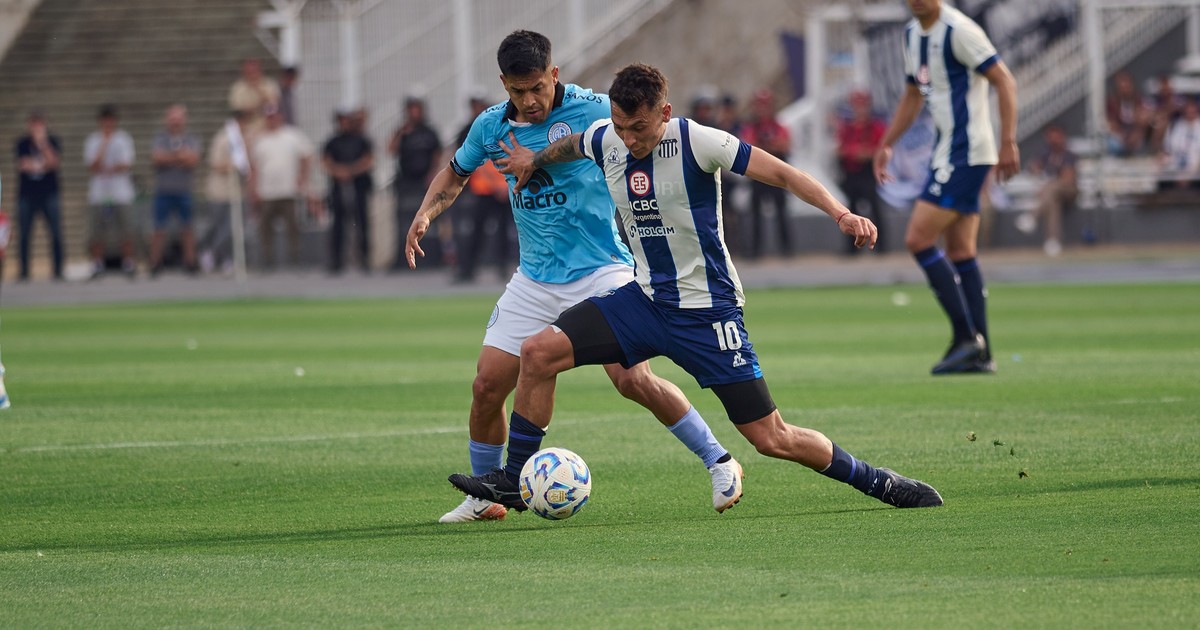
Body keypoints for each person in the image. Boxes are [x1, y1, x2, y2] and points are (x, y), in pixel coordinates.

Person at [450, 63, 942, 513]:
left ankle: (878, 481)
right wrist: (534, 161)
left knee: (771, 438)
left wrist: (841, 213)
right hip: (644, 302)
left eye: (639, 128)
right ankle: (514, 479)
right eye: (620, 126)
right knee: (538, 353)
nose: (628, 139)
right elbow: (574, 144)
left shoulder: (698, 142)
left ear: (664, 113)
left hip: (709, 314)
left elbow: (783, 173)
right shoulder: (607, 137)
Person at [405, 31, 739, 523]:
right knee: (487, 386)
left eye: (537, 87)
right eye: (518, 91)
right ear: (504, 84)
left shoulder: (595, 110)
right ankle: (485, 498)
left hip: (603, 270)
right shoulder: (490, 126)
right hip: (534, 279)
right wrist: (425, 214)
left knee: (632, 379)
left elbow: (654, 136)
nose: (529, 100)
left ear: (554, 74)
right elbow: (455, 173)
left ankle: (719, 460)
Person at [872, 0, 1020, 375]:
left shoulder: (960, 31)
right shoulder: (912, 34)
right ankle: (981, 352)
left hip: (968, 152)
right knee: (960, 251)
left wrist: (1008, 141)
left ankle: (967, 337)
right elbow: (912, 94)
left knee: (918, 238)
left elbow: (1004, 79)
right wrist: (888, 143)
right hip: (947, 152)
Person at [452, 93, 513, 283]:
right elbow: (471, 160)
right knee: (477, 230)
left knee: (503, 231)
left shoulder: (501, 126)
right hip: (484, 189)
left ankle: (502, 267)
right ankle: (468, 269)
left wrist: (504, 185)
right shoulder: (470, 129)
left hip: (502, 188)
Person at [249, 105, 315, 270]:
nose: (272, 120)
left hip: (288, 189)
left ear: (280, 117)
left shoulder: (292, 135)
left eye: (274, 116)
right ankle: (267, 259)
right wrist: (254, 189)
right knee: (265, 227)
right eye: (269, 117)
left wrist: (303, 178)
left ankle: (294, 257)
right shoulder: (260, 139)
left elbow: (307, 157)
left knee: (293, 225)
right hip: (266, 191)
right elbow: (254, 167)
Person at [388, 96, 443, 270]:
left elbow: (437, 154)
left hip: (424, 183)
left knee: (427, 220)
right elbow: (391, 150)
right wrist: (401, 133)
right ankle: (403, 259)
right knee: (404, 222)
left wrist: (433, 175)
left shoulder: (429, 132)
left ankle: (431, 257)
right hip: (406, 183)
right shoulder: (403, 132)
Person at [84, 104, 138, 280]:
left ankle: (128, 262)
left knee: (126, 228)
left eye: (110, 120)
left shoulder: (123, 139)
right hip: (99, 194)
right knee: (97, 230)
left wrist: (108, 168)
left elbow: (126, 164)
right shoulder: (93, 140)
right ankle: (97, 263)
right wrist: (104, 144)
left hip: (121, 192)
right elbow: (92, 165)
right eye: (105, 120)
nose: (108, 123)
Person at [149, 104, 202, 275]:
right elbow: (157, 158)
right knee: (159, 228)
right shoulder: (160, 138)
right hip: (163, 190)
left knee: (187, 228)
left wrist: (171, 157)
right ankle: (155, 262)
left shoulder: (191, 138)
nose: (175, 123)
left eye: (178, 119)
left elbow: (193, 159)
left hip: (184, 190)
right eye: (172, 119)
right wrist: (179, 156)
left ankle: (190, 262)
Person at [739, 88, 793, 258]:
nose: (762, 109)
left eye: (765, 105)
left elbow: (784, 145)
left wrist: (765, 146)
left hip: (777, 175)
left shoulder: (778, 126)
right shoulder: (751, 127)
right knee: (755, 214)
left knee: (781, 212)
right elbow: (746, 145)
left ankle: (787, 249)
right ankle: (755, 250)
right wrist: (768, 146)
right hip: (757, 176)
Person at [200, 110, 254, 275]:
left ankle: (226, 258)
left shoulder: (243, 140)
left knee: (233, 227)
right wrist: (234, 166)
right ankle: (211, 253)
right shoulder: (223, 138)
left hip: (237, 192)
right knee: (221, 227)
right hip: (220, 192)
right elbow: (216, 164)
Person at [322, 108, 375, 274]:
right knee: (338, 224)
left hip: (359, 187)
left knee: (362, 223)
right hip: (338, 188)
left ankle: (364, 259)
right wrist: (339, 172)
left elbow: (368, 160)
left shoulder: (361, 140)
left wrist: (351, 171)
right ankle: (337, 260)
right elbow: (326, 161)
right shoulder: (333, 141)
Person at [14, 110, 64, 281]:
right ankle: (24, 271)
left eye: (39, 124)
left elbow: (54, 162)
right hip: (27, 195)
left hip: (49, 193)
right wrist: (42, 165)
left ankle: (58, 270)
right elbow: (23, 165)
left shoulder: (53, 141)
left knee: (55, 232)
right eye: (33, 124)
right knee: (24, 234)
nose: (36, 128)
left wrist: (42, 144)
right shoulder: (22, 143)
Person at [836, 90, 888, 255]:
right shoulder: (847, 128)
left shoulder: (875, 127)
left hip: (867, 173)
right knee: (850, 211)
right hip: (851, 173)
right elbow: (839, 150)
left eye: (863, 105)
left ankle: (881, 246)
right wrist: (853, 152)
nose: (860, 109)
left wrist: (867, 153)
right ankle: (852, 248)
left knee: (875, 209)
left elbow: (883, 149)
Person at [1018, 125, 1077, 257]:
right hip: (1051, 194)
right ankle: (1053, 242)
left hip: (1069, 191)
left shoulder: (1069, 155)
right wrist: (1037, 171)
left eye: (1056, 136)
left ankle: (1032, 216)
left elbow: (1067, 179)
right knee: (1052, 202)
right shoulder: (1045, 154)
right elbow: (1033, 168)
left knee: (1052, 187)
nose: (1053, 140)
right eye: (1051, 137)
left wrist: (1046, 186)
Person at [1105, 71, 1150, 157]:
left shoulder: (1139, 101)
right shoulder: (1112, 103)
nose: (1124, 89)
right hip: (1121, 135)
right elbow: (1112, 122)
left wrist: (1136, 133)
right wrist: (1123, 137)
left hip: (1136, 134)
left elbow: (1143, 120)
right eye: (1121, 87)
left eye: (1126, 86)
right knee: (1113, 142)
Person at [229, 58, 281, 132]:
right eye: (249, 72)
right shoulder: (238, 88)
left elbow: (274, 106)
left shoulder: (270, 84)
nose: (252, 74)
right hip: (247, 129)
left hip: (269, 128)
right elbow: (238, 112)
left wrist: (259, 89)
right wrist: (258, 107)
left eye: (254, 70)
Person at [1159, 97, 1200, 189]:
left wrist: (1189, 175)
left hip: (1196, 173)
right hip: (1174, 171)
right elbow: (1167, 150)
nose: (1190, 114)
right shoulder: (1174, 126)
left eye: (1193, 112)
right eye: (1187, 111)